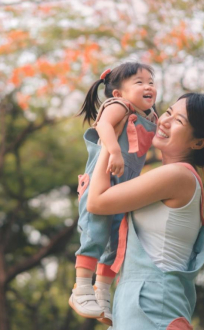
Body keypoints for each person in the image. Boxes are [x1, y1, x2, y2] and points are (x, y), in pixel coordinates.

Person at [86, 93, 204, 329]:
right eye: (169, 112)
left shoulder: (178, 175)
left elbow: (97, 202)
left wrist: (111, 138)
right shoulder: (172, 177)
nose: (164, 121)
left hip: (154, 310)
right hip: (142, 307)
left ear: (199, 142)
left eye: (179, 121)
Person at [69, 62, 158, 325]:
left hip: (123, 189)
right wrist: (115, 151)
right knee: (95, 232)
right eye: (139, 82)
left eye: (151, 82)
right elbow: (103, 126)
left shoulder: (150, 116)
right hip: (101, 181)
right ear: (118, 93)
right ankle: (81, 288)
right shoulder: (119, 106)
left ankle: (102, 293)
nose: (148, 86)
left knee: (117, 243)